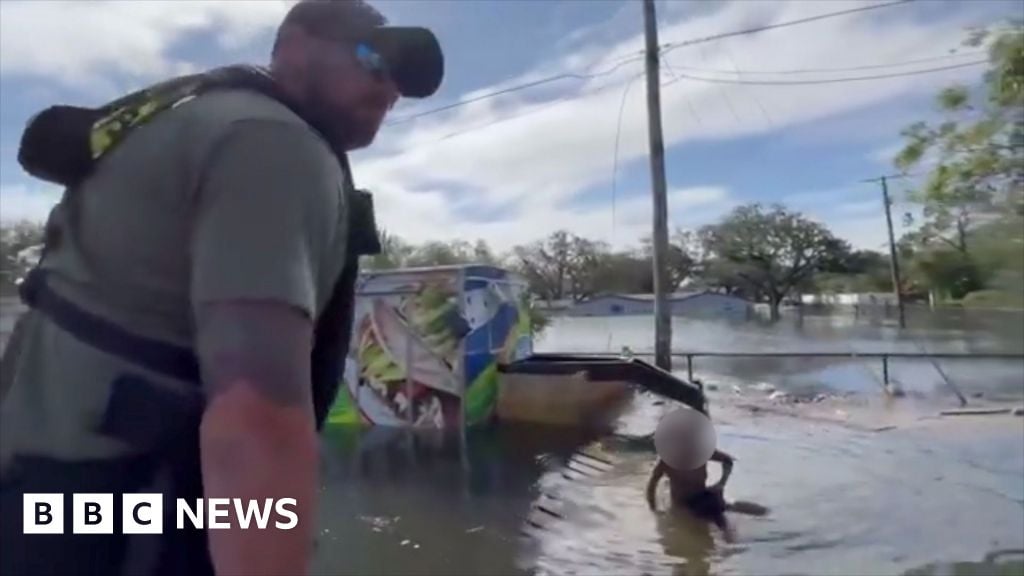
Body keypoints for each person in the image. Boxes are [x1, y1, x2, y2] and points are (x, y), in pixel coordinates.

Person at [0, 1, 443, 575]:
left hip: (45, 504)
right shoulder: (273, 143)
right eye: (371, 57)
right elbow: (257, 419)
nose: (388, 89)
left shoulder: (187, 121)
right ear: (294, 47)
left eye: (399, 80)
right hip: (122, 518)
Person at [646, 409, 768, 535]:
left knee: (742, 514)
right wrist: (654, 511)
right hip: (684, 506)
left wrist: (721, 483)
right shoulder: (667, 459)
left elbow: (728, 461)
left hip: (704, 498)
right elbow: (652, 485)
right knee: (712, 527)